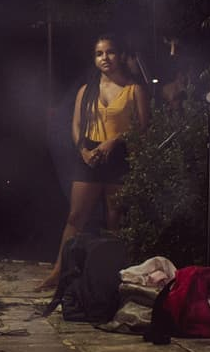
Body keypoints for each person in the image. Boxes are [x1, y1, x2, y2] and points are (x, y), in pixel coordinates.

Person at [37, 34, 150, 290]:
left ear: (120, 56)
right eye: (99, 54)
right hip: (90, 156)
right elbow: (76, 125)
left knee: (115, 219)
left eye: (110, 52)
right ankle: (58, 271)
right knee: (76, 217)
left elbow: (143, 127)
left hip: (119, 156)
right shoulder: (86, 91)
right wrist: (83, 151)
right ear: (94, 59)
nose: (105, 58)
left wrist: (114, 142)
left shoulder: (134, 89)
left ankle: (115, 276)